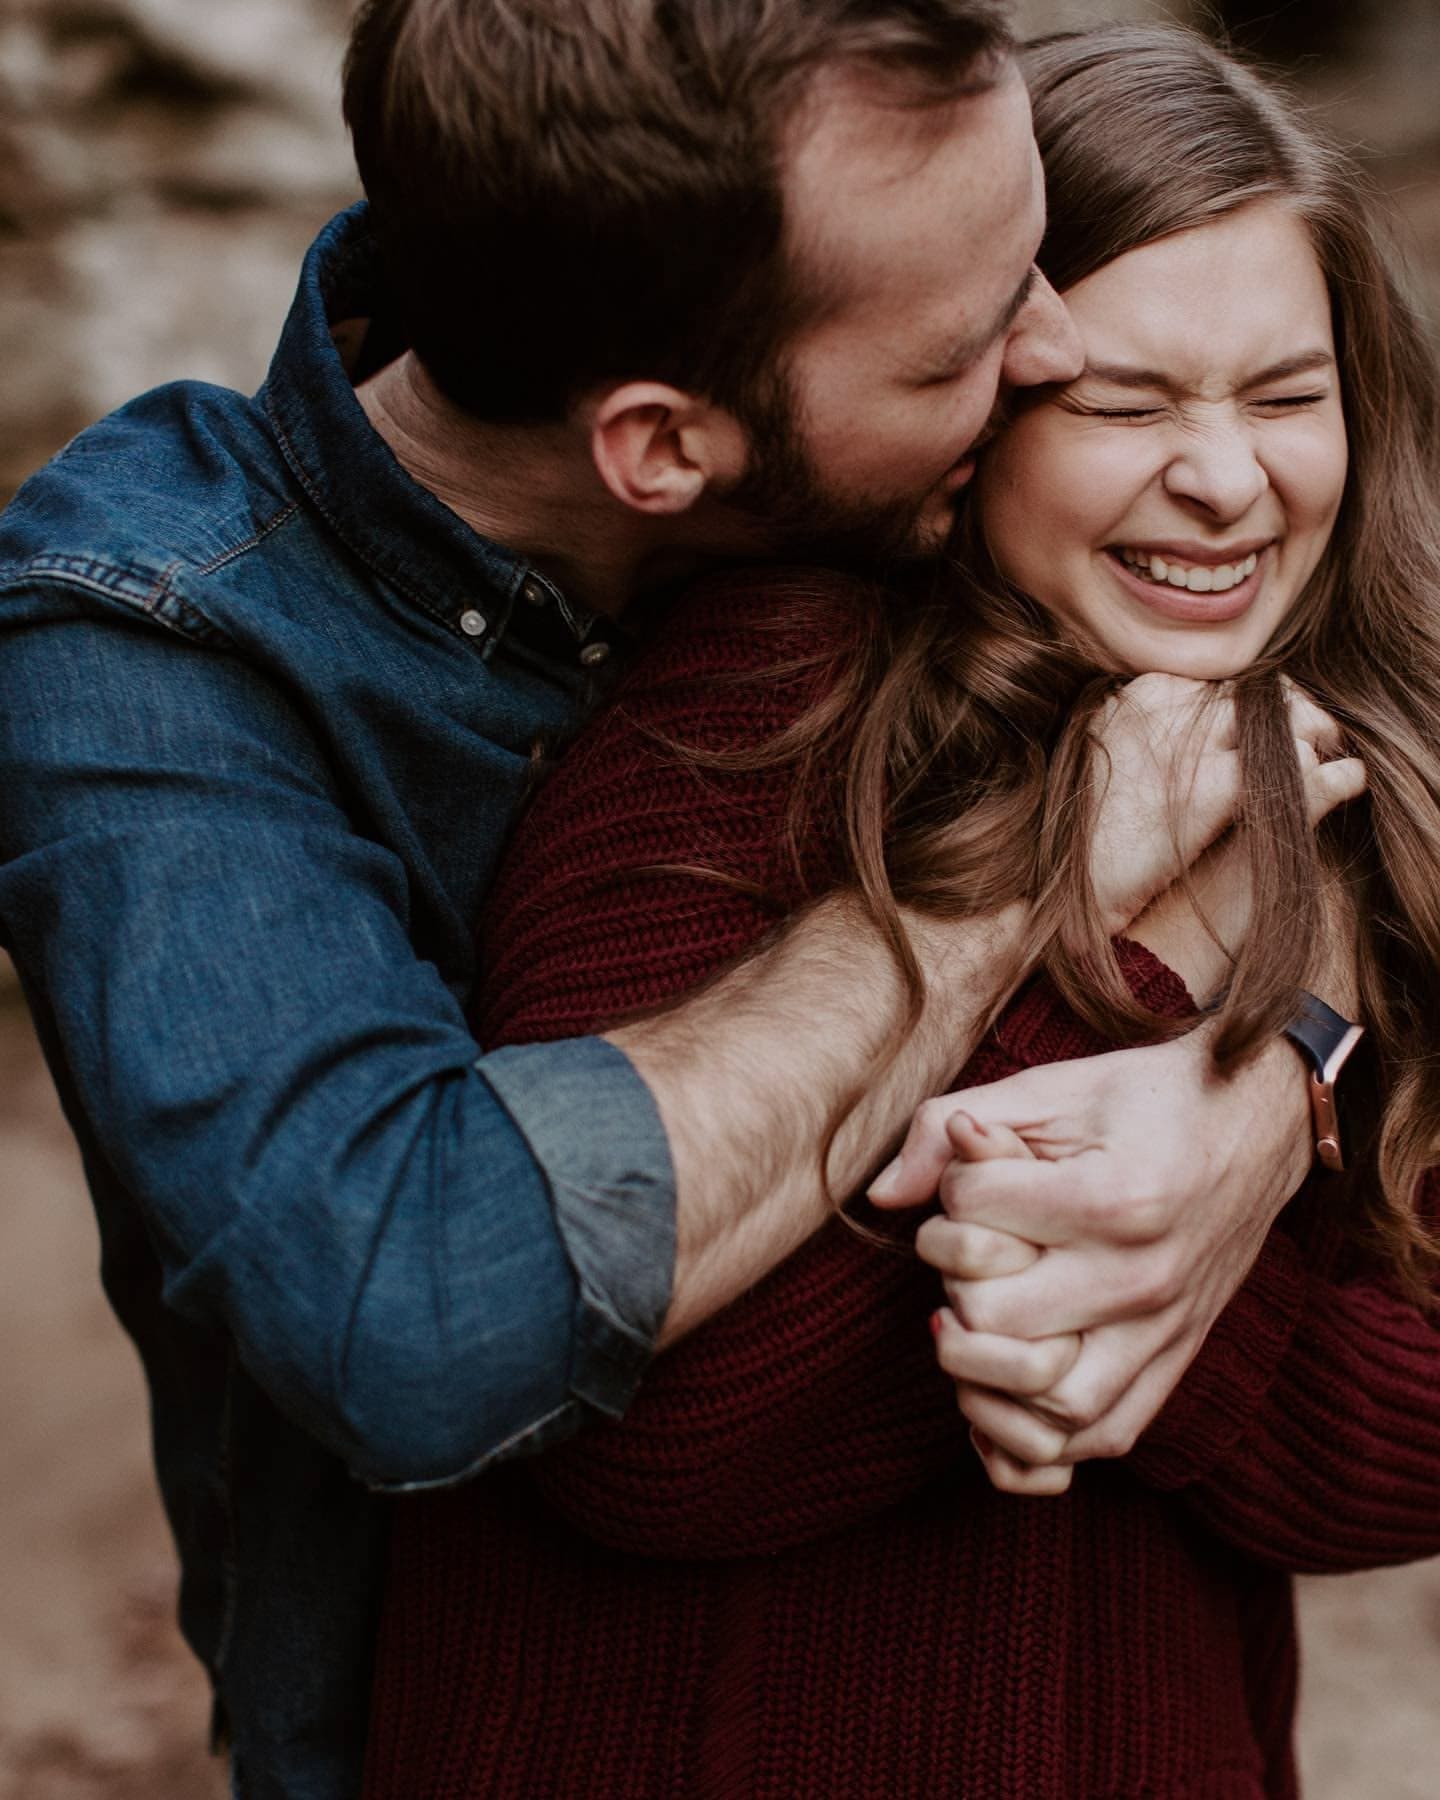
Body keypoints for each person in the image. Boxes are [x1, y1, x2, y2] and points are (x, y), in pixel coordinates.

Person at [0, 3, 1351, 1792]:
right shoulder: (151, 655)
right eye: (971, 344)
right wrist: (1001, 911)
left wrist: (1270, 1074)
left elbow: (1302, 720)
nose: (1047, 347)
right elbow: (419, 1302)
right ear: (664, 447)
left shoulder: (849, 386)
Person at [361, 24, 1440, 1800]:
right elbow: (643, 1442)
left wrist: (1203, 1229)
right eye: (1124, 402)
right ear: (974, 411)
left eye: (1285, 391)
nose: (1230, 479)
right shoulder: (759, 713)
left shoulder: (1349, 777)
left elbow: (1401, 1442)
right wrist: (1144, 987)